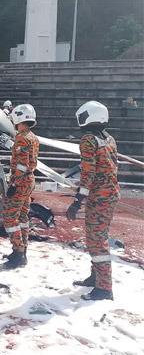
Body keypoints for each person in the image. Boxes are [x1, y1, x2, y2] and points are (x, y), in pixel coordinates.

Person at [67, 101, 120, 301]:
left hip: (99, 196)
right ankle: (96, 277)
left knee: (97, 241)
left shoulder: (88, 139)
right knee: (97, 236)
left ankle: (104, 288)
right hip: (110, 194)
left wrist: (77, 200)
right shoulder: (109, 138)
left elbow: (88, 172)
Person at [2, 104, 39, 269]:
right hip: (29, 180)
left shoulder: (21, 138)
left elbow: (22, 165)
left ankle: (18, 252)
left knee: (10, 217)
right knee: (23, 217)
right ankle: (22, 251)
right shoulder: (33, 137)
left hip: (21, 181)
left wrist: (14, 184)